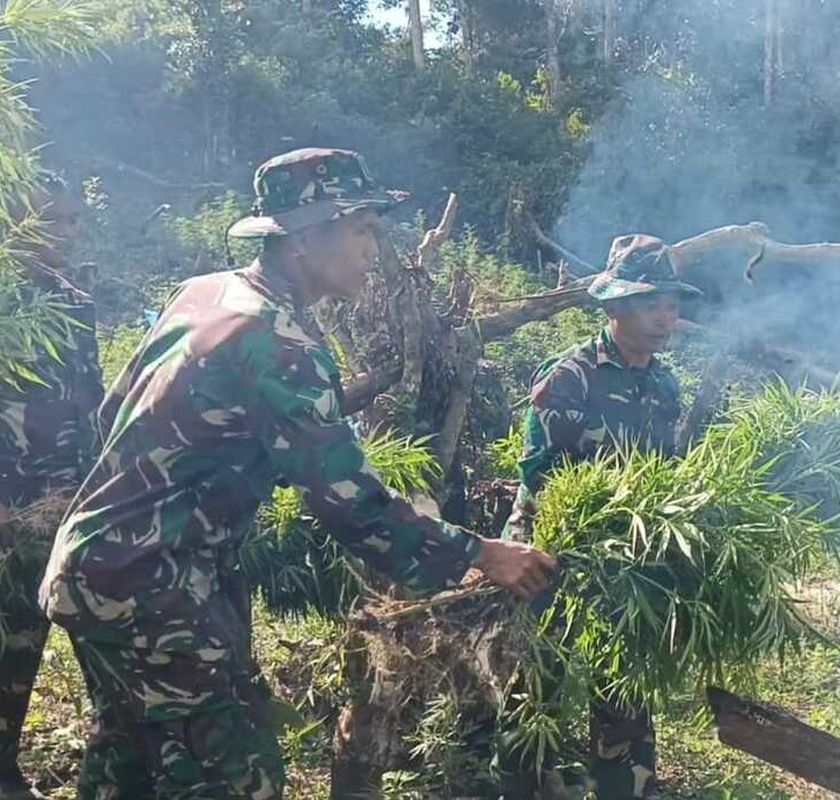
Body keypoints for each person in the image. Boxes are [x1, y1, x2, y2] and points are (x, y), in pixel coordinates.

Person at [37, 147, 557, 800]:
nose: (374, 249)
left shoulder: (204, 294)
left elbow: (115, 413)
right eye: (361, 229)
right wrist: (481, 554)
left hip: (96, 568)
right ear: (306, 237)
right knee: (237, 779)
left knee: (128, 768)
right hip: (156, 589)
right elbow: (349, 503)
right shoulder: (278, 342)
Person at [498, 234, 702, 800]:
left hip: (624, 562)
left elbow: (665, 469)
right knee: (535, 685)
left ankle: (624, 788)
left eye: (672, 306)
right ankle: (520, 788)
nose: (664, 318)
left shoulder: (663, 384)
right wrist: (608, 513)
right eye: (650, 304)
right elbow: (540, 473)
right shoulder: (570, 375)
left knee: (624, 683)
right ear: (615, 306)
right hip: (549, 554)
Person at [0, 171, 102, 800]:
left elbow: (90, 398)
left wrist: (96, 482)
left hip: (63, 498)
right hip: (9, 501)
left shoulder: (74, 302)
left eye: (73, 219)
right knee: (10, 635)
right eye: (53, 219)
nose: (67, 232)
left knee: (38, 631)